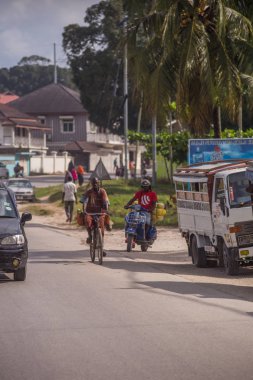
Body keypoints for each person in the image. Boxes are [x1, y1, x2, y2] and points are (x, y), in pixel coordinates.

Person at [82, 177, 109, 253]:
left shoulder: (102, 191)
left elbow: (105, 201)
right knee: (87, 221)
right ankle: (90, 236)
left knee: (102, 229)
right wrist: (84, 208)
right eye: (94, 183)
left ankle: (101, 248)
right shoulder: (89, 192)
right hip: (90, 212)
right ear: (92, 184)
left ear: (99, 183)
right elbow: (84, 201)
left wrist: (106, 208)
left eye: (96, 183)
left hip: (100, 212)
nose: (95, 185)